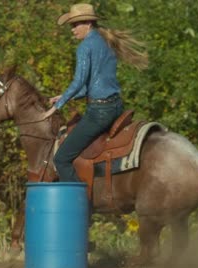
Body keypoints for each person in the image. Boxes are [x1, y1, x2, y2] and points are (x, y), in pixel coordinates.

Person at [44, 3, 149, 182]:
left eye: (75, 25)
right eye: (72, 25)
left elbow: (79, 81)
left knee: (61, 159)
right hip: (116, 106)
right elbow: (91, 84)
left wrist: (58, 106)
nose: (72, 30)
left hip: (99, 112)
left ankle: (79, 203)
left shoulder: (85, 47)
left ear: (88, 23)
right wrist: (65, 96)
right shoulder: (105, 42)